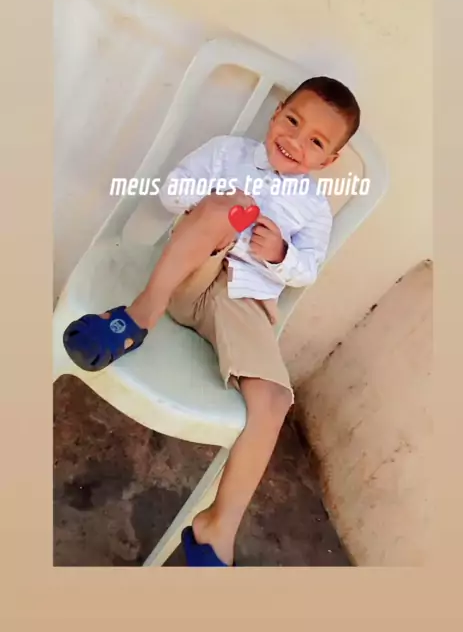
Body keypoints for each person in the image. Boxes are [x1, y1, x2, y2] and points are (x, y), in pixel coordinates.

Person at [63, 76, 360, 566]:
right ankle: (137, 316)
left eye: (315, 141)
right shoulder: (228, 153)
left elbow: (307, 270)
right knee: (227, 209)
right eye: (292, 120)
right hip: (188, 273)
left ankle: (217, 527)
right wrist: (216, 202)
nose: (295, 140)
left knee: (274, 401)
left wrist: (280, 254)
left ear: (328, 161)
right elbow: (171, 193)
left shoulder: (314, 210)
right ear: (276, 113)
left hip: (241, 303)